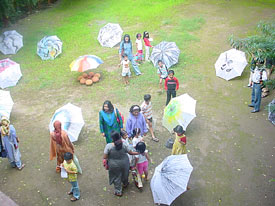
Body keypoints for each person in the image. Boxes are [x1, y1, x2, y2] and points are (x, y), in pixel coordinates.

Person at [103, 131, 139, 197]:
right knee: (125, 174)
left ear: (112, 138)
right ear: (119, 137)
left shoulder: (108, 146)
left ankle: (118, 191)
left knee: (116, 177)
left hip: (113, 165)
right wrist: (138, 153)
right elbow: (130, 153)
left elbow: (105, 157)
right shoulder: (124, 144)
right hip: (124, 163)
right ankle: (125, 183)